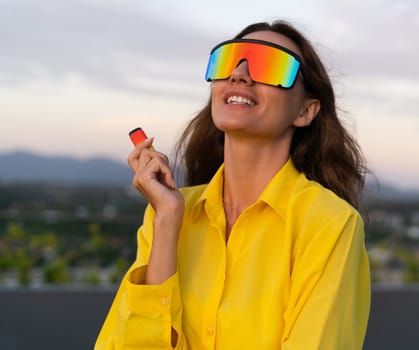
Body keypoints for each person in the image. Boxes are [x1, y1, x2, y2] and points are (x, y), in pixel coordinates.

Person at [95, 20, 370, 350]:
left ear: (305, 110)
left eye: (271, 64)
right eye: (230, 60)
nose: (239, 74)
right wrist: (167, 221)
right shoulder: (164, 216)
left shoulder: (330, 224)